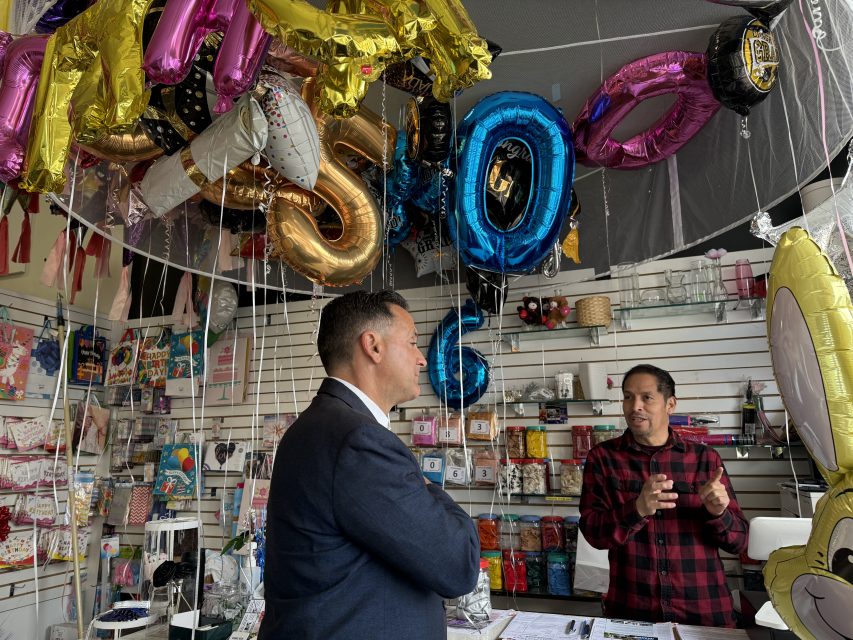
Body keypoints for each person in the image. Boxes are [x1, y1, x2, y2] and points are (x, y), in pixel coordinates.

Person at [259, 290, 480, 640]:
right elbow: (457, 564)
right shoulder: (359, 441)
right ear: (373, 346)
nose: (422, 359)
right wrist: (429, 489)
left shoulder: (317, 427)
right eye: (411, 342)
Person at [579, 364, 748, 628]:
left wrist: (719, 514)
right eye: (627, 396)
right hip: (632, 612)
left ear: (670, 404)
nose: (635, 406)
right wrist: (637, 509)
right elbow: (593, 533)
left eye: (646, 397)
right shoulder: (603, 458)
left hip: (704, 612)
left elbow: (739, 542)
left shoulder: (705, 459)